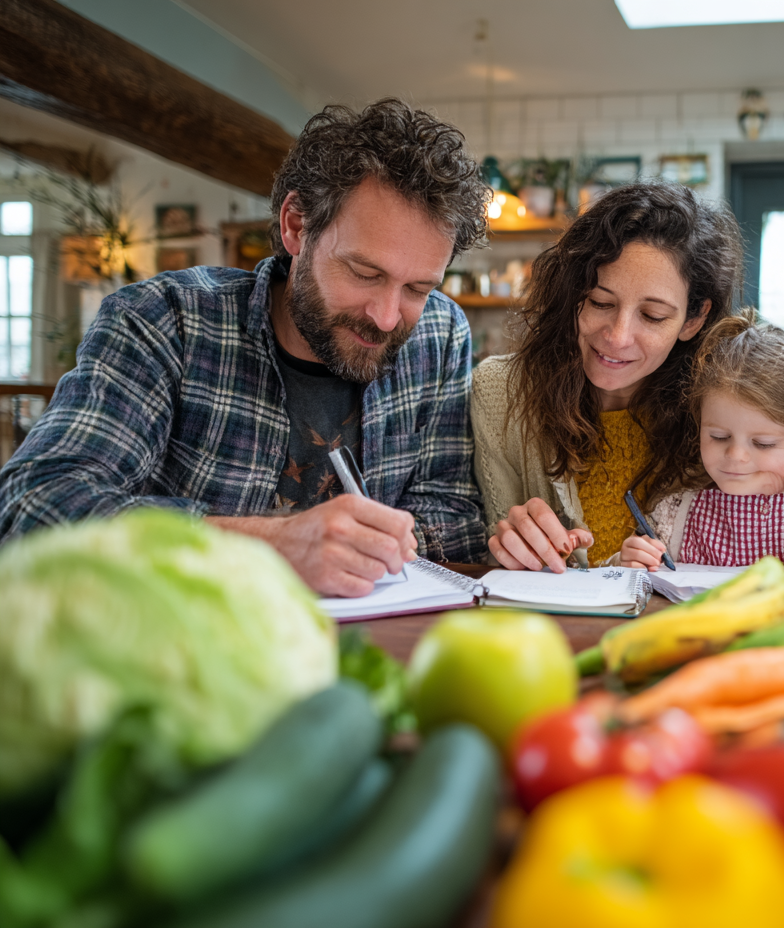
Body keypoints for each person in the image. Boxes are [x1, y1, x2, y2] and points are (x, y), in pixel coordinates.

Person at [0, 100, 490, 596]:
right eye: (365, 273)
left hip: (371, 637)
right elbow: (33, 508)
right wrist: (271, 544)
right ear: (296, 226)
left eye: (417, 289)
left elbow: (453, 517)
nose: (386, 317)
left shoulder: (438, 333)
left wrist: (373, 547)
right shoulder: (165, 321)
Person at [471, 182, 743, 572]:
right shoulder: (500, 392)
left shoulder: (722, 409)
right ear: (573, 294)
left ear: (694, 319)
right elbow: (484, 550)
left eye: (652, 316)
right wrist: (506, 546)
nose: (617, 337)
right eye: (600, 302)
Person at [617, 313, 784, 582]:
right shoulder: (677, 507)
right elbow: (634, 573)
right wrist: (627, 561)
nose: (735, 455)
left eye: (763, 443)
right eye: (719, 436)